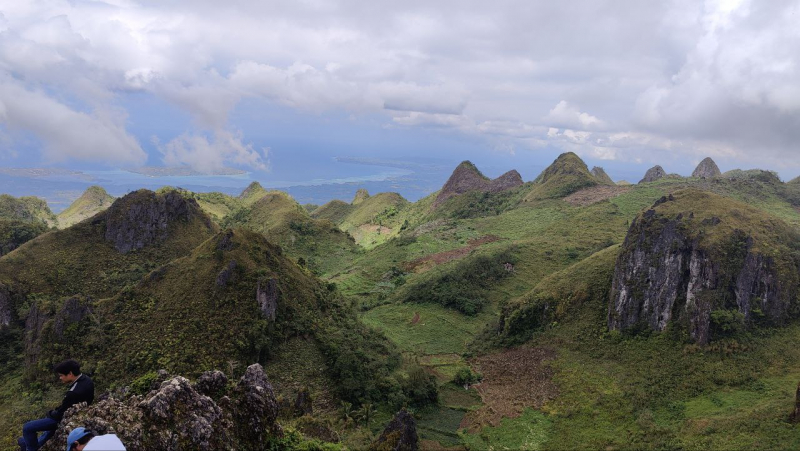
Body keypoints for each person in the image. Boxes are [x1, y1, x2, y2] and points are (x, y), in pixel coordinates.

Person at [17, 360, 95, 451]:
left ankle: (30, 448)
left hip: (66, 418)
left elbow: (59, 415)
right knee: (49, 430)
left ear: (70, 373)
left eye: (61, 375)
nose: (60, 378)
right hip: (80, 412)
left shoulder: (73, 393)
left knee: (27, 427)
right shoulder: (87, 380)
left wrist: (50, 413)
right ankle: (29, 444)